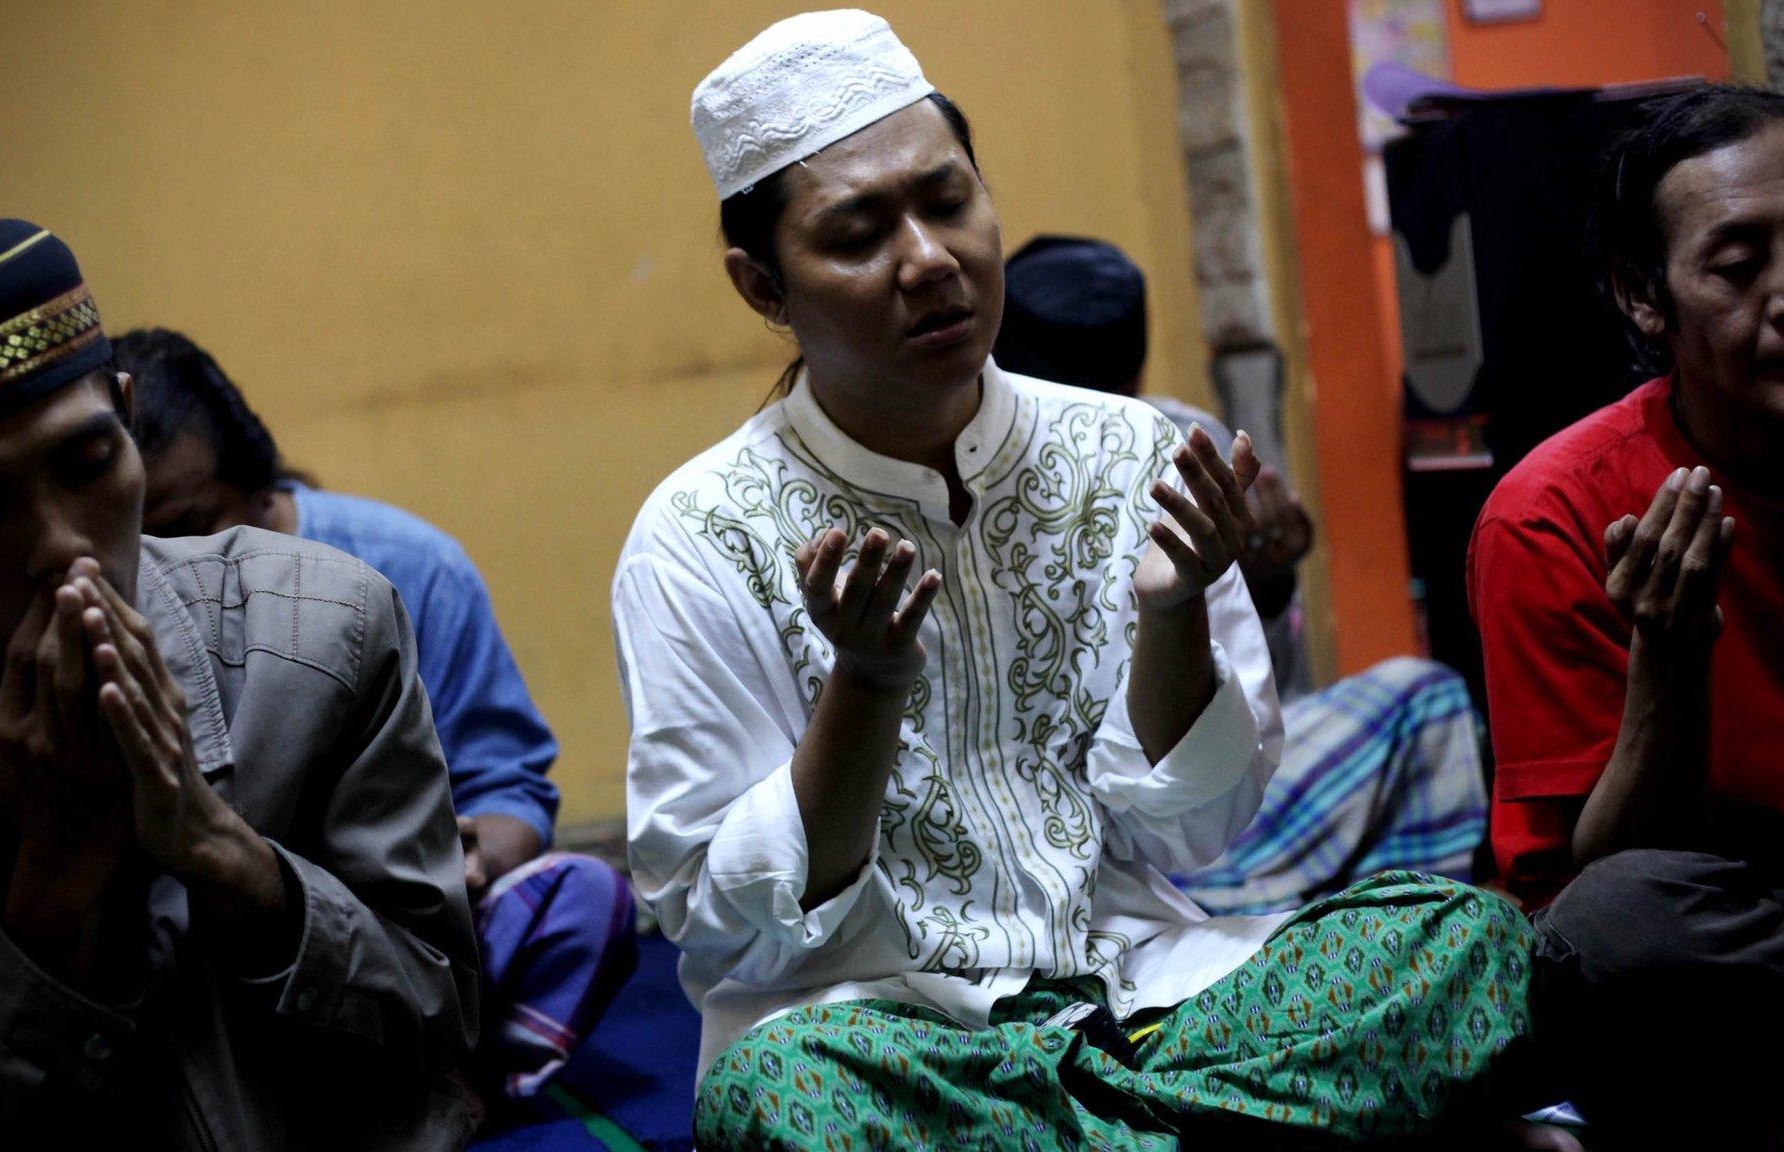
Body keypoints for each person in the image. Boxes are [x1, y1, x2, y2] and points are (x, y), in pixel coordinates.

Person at [619, 12, 1536, 1147]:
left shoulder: (1129, 454)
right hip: (898, 1039)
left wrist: (1172, 618)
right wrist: (862, 682)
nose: (928, 259)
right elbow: (719, 926)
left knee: (1465, 944)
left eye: (947, 201)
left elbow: (1193, 840)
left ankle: (1095, 1128)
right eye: (859, 235)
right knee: (783, 1098)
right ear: (764, 286)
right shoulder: (698, 534)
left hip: (1151, 999)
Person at [0, 222, 479, 1148]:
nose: (59, 544)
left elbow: (438, 1020)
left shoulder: (323, 632)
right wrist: (49, 890)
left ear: (127, 421)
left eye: (88, 466)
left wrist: (217, 847)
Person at [1468, 86, 1784, 1149]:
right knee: (1611, 935)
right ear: (1644, 300)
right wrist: (1669, 655)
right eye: (1737, 268)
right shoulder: (1549, 514)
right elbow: (1589, 900)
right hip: (1723, 914)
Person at [113, 326, 636, 1103]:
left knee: (584, 901)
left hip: (389, 929)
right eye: (139, 537)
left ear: (261, 490)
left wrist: (468, 857)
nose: (166, 563)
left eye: (191, 526)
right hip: (208, 945)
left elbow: (511, 792)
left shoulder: (406, 570)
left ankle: (434, 1080)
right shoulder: (104, 604)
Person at [996, 235, 1489, 916]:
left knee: (1423, 696)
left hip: (1215, 790)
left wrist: (1266, 578)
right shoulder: (982, 471)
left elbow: (1260, 703)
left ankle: (1394, 920)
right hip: (1073, 827)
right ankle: (1261, 916)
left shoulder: (1177, 442)